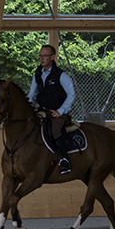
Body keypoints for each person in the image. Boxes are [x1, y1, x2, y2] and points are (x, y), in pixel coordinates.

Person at [28, 44, 76, 174]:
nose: (42, 58)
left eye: (45, 55)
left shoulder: (61, 75)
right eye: (40, 55)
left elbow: (71, 95)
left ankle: (65, 160)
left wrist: (60, 111)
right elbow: (32, 94)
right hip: (42, 110)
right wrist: (29, 108)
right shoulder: (37, 73)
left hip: (57, 113)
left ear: (53, 57)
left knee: (55, 130)